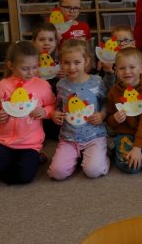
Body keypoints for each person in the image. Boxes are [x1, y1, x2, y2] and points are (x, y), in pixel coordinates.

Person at [0, 41, 56, 184]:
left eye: (34, 67)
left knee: (24, 177)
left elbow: (52, 105)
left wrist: (45, 111)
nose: (31, 72)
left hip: (29, 143)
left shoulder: (42, 85)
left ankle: (32, 158)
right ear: (11, 66)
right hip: (3, 141)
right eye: (25, 68)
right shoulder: (2, 86)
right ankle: (14, 162)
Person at [47, 40, 110, 180]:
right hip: (69, 137)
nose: (71, 67)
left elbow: (106, 102)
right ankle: (77, 157)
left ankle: (102, 157)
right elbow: (58, 106)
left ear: (86, 61)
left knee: (93, 171)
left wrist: (102, 114)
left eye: (77, 62)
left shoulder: (97, 81)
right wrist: (55, 113)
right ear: (60, 63)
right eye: (66, 63)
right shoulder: (61, 85)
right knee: (57, 173)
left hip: (94, 136)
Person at [106, 48, 142, 174]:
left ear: (141, 68)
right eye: (122, 68)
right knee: (131, 167)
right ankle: (118, 149)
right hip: (125, 133)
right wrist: (114, 119)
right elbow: (109, 121)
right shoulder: (113, 92)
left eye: (132, 67)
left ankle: (136, 150)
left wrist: (137, 148)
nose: (127, 72)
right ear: (116, 70)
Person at [32, 21, 62, 141]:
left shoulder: (60, 62)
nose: (46, 43)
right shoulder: (30, 63)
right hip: (37, 105)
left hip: (55, 106)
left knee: (57, 133)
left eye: (50, 40)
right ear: (34, 42)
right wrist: (31, 76)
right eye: (41, 39)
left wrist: (64, 76)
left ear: (56, 42)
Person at [98, 25, 136, 91]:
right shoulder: (108, 62)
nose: (121, 44)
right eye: (117, 41)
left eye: (126, 40)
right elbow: (106, 90)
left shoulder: (137, 61)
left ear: (133, 44)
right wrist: (110, 74)